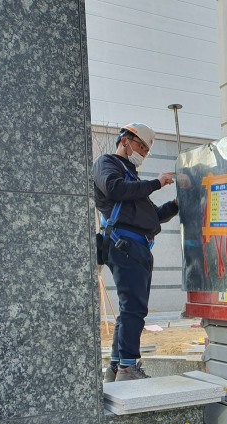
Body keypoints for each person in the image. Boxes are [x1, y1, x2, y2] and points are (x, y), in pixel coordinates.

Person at [94, 123, 178, 382]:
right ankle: (129, 368)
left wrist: (176, 204)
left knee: (129, 310)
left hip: (135, 248)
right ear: (125, 140)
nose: (142, 152)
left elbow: (154, 216)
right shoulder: (107, 164)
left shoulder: (132, 180)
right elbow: (113, 188)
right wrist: (156, 183)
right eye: (141, 146)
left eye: (146, 150)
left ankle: (117, 366)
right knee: (134, 310)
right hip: (124, 245)